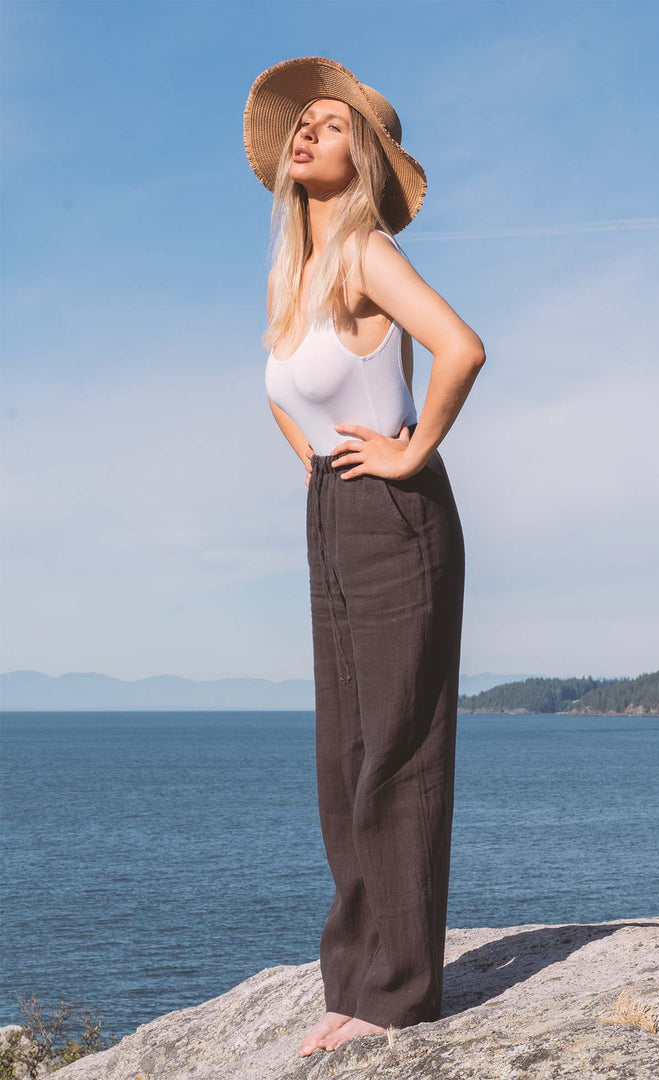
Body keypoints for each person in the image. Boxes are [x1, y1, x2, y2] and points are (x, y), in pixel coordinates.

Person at [243, 56, 486, 1056]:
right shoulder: (294, 276)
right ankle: (355, 977)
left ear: (365, 160)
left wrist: (410, 450)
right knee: (343, 758)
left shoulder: (364, 252)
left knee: (396, 752)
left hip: (398, 520)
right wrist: (317, 468)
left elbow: (461, 347)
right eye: (302, 124)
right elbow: (280, 392)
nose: (307, 133)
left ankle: (397, 992)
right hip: (337, 519)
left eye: (331, 126)